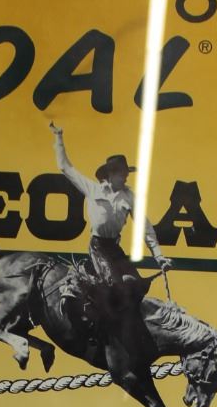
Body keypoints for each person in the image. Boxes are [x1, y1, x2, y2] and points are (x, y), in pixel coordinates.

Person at [48, 123, 172, 324]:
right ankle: (97, 321)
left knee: (138, 285)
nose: (126, 176)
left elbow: (145, 227)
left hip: (114, 247)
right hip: (98, 246)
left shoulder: (130, 197)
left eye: (126, 173)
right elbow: (65, 167)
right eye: (122, 173)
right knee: (114, 286)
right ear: (111, 175)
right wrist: (59, 137)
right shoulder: (93, 189)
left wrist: (159, 256)